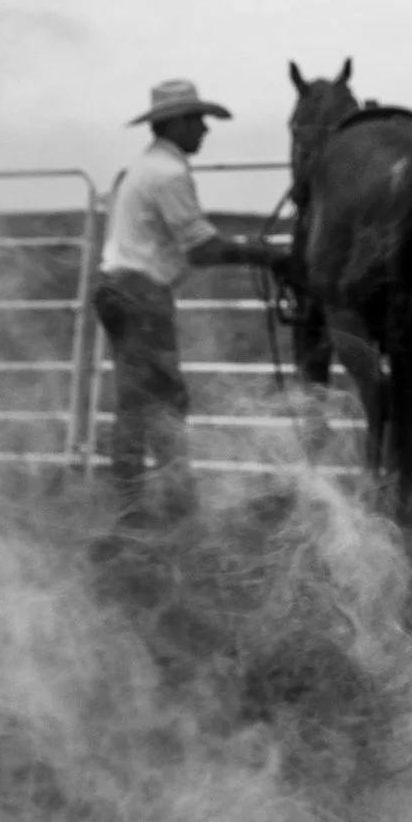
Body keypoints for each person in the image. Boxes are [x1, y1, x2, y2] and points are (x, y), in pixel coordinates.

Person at [94, 79, 287, 516]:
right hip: (141, 292)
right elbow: (201, 249)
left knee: (136, 399)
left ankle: (132, 502)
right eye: (197, 120)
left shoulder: (144, 168)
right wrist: (268, 256)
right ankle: (174, 502)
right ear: (175, 123)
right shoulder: (168, 174)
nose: (204, 129)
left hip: (117, 287)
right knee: (165, 398)